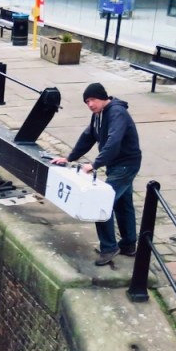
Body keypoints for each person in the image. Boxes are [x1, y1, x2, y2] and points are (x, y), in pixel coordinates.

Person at [51, 82, 142, 266]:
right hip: (118, 165)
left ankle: (109, 247)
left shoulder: (117, 113)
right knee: (123, 204)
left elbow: (113, 141)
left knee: (102, 202)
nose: (90, 105)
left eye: (92, 100)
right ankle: (129, 244)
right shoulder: (98, 115)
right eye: (87, 102)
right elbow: (88, 137)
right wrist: (69, 157)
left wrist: (95, 164)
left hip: (125, 165)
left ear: (102, 97)